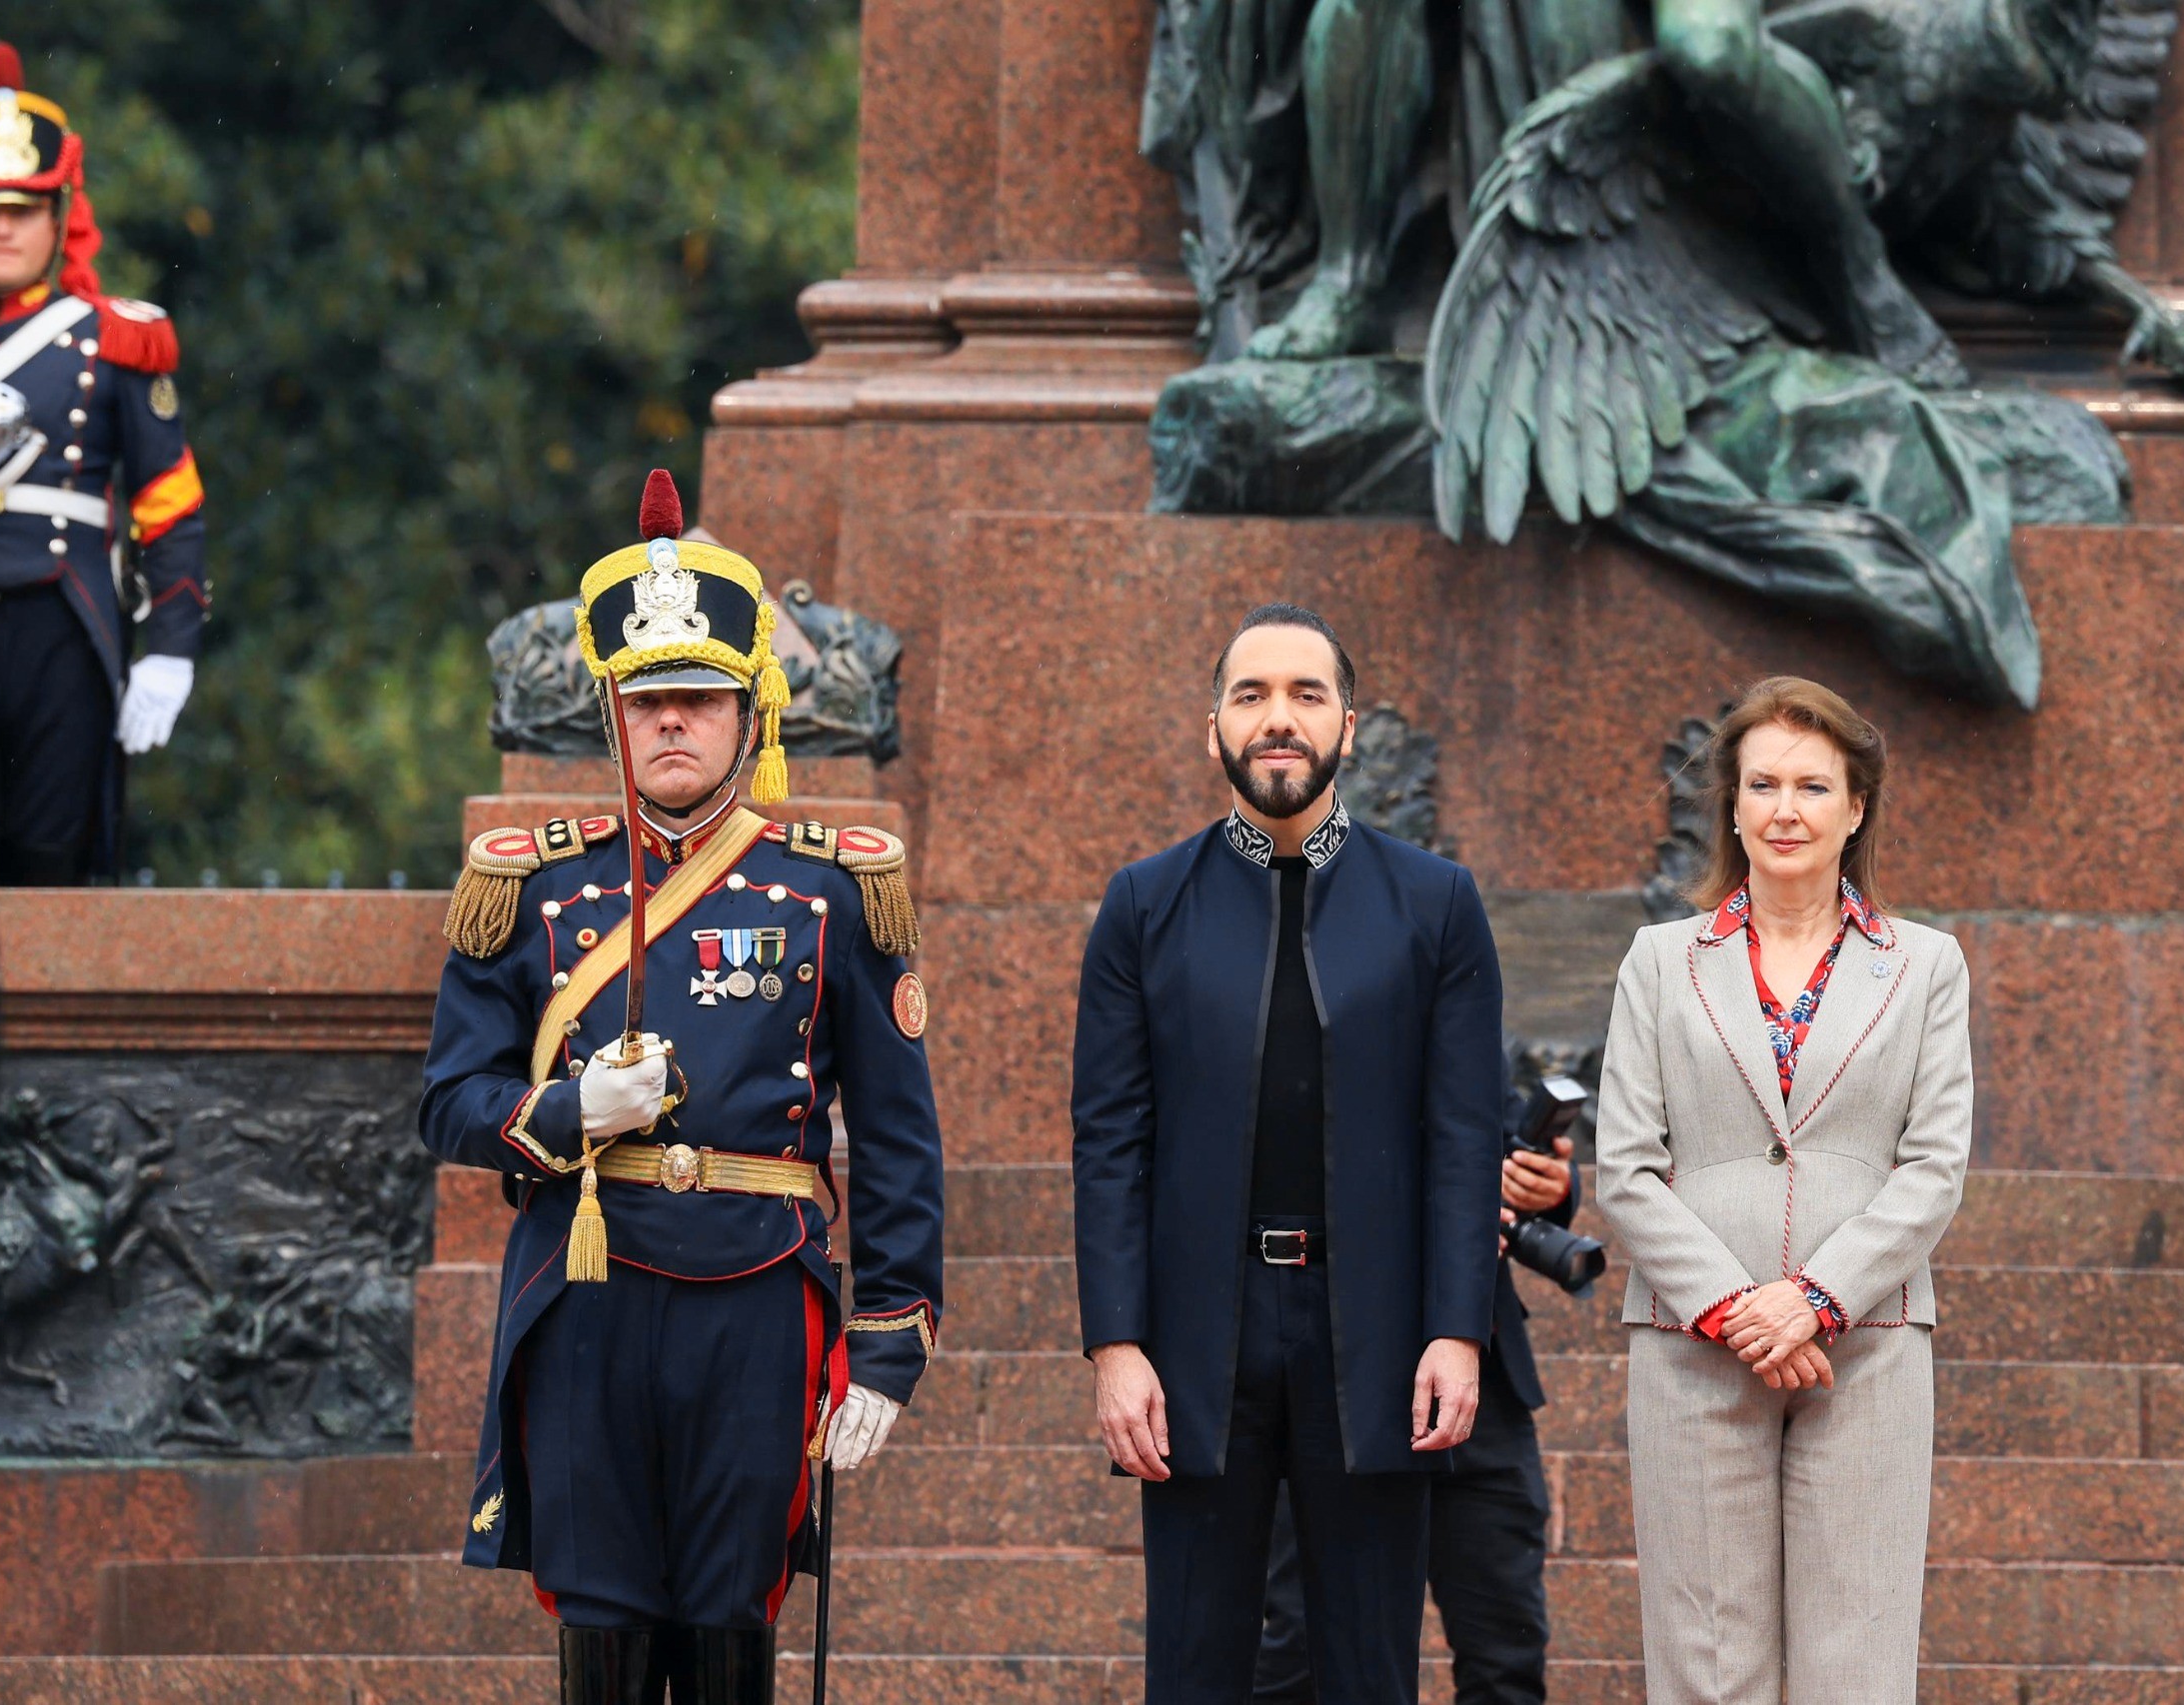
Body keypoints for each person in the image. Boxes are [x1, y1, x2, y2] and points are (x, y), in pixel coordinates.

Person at [419, 470, 944, 1705]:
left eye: (698, 699)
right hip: (586, 1286)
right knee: (599, 1605)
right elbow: (449, 1099)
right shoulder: (532, 885)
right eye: (647, 700)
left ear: (749, 715)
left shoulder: (830, 887)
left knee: (729, 1604)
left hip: (756, 1293)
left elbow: (899, 1136)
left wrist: (887, 1343)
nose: (671, 724)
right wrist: (566, 1116)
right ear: (612, 714)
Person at [1072, 602, 1505, 1705]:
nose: (1278, 718)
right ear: (1212, 725)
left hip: (1376, 1333)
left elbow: (1466, 1137)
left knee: (1370, 1670)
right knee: (1193, 1668)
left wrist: (1457, 1330)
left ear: (1348, 726)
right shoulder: (1143, 904)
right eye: (1251, 694)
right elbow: (1110, 1140)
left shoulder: (1435, 903)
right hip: (1196, 1337)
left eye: (1306, 694)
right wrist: (1116, 1343)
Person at [1593, 676, 1971, 1705]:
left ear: (1856, 808)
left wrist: (1813, 1298)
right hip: (1692, 1346)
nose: (1785, 809)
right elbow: (1624, 1164)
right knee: (1707, 1661)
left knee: (1858, 1661)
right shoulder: (1661, 961)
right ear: (1731, 805)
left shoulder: (1924, 966)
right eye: (1762, 784)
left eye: (1813, 786)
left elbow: (1934, 1165)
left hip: (1868, 1342)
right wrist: (1734, 1307)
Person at [1253, 1078, 1581, 1705]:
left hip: (1484, 1396)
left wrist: (1550, 1187)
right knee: (1301, 1649)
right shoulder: (1294, 1042)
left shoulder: (1463, 1030)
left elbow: (1510, 1141)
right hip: (1337, 1382)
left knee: (1507, 1656)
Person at [0, 42, 207, 883]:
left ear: (60, 214)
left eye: (24, 208)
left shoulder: (114, 337)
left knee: (53, 864)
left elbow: (169, 504)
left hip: (60, 627)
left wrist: (171, 645)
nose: (2, 228)